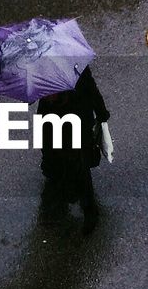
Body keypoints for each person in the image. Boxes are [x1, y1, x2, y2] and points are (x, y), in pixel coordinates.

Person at [36, 65, 110, 234]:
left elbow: (90, 89)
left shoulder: (75, 67)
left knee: (79, 167)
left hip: (76, 122)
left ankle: (89, 211)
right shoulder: (38, 67)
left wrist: (101, 113)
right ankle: (55, 178)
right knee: (52, 154)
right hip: (51, 121)